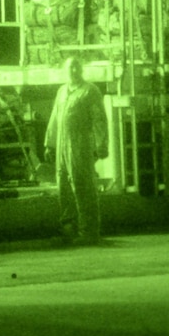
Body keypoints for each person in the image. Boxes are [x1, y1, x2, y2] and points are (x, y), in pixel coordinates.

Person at [44, 56, 112, 245]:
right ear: (64, 70)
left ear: (81, 70)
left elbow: (99, 120)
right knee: (64, 187)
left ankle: (89, 232)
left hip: (80, 145)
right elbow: (55, 118)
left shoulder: (90, 91)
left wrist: (101, 146)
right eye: (70, 67)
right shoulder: (62, 91)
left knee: (83, 187)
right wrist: (49, 144)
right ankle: (68, 229)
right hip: (61, 145)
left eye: (76, 67)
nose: (73, 71)